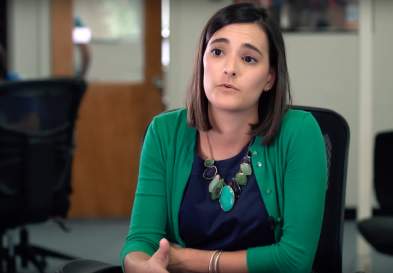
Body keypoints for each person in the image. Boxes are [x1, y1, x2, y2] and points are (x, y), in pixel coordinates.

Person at [120, 3, 327, 273]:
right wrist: (140, 266)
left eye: (248, 59)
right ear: (203, 61)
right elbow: (140, 241)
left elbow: (294, 260)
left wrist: (185, 259)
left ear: (269, 78)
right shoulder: (164, 132)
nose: (229, 68)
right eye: (217, 51)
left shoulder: (299, 132)